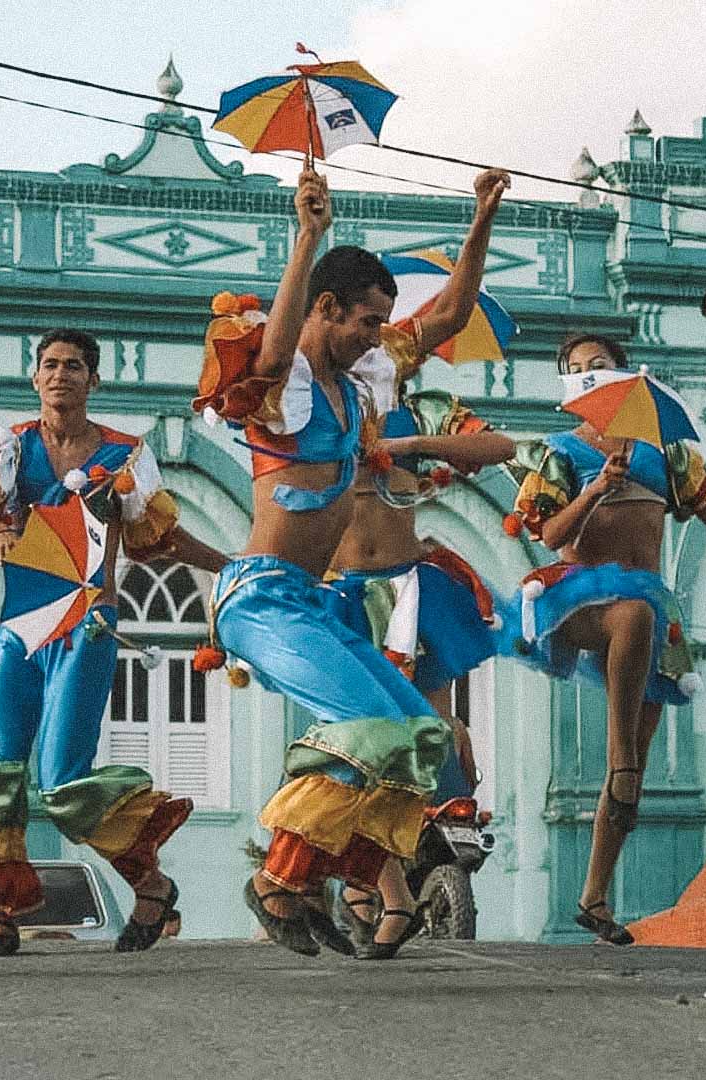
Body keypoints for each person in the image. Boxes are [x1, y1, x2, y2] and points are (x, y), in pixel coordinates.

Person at [192, 166, 509, 959]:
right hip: (260, 600)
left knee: (416, 736)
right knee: (367, 726)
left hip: (313, 602)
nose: (379, 336)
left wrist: (480, 219)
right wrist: (308, 237)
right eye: (366, 321)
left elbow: (452, 314)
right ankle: (278, 878)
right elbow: (271, 349)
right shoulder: (283, 388)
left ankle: (351, 881)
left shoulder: (357, 383)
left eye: (381, 324)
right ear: (326, 310)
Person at [0, 328, 227, 955]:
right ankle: (2, 916)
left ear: (93, 380)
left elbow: (158, 538)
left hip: (89, 627)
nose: (60, 374)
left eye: (74, 366)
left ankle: (151, 887)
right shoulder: (8, 448)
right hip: (20, 628)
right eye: (50, 364)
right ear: (35, 377)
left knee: (63, 780)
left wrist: (228, 565)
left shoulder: (125, 455)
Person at [497, 334, 706, 944]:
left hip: (647, 608)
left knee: (642, 631)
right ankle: (618, 749)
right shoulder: (561, 452)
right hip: (577, 599)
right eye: (576, 369)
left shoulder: (665, 454)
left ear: (622, 375)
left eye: (600, 365)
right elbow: (549, 534)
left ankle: (595, 898)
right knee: (630, 617)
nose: (589, 374)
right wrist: (596, 489)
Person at [327, 370, 514, 951]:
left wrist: (404, 447)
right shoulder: (316, 409)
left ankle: (445, 821)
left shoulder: (418, 410)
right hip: (340, 593)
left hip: (408, 589)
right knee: (350, 735)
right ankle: (365, 866)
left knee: (431, 722)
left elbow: (499, 446)